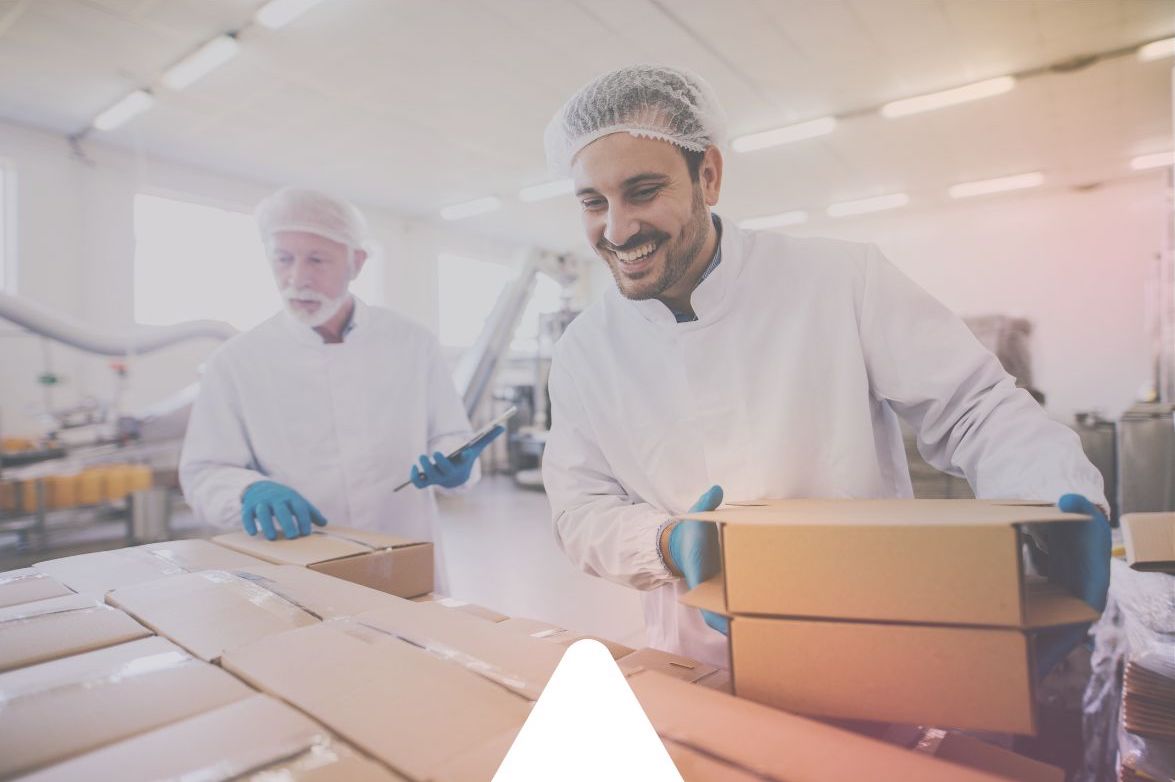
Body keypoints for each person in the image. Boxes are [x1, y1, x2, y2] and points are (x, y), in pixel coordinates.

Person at [539, 65, 1110, 671]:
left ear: (708, 175)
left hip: (867, 640)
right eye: (593, 203)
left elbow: (974, 408)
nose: (618, 228)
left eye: (644, 191)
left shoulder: (840, 281)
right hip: (695, 662)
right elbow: (580, 509)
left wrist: (1056, 502)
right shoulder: (584, 351)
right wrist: (665, 542)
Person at [179, 187, 501, 590]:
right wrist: (247, 490)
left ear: (356, 262)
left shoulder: (413, 343)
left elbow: (452, 434)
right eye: (283, 259)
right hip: (295, 566)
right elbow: (204, 471)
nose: (297, 278)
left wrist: (456, 466)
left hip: (405, 553)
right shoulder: (235, 361)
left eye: (317, 260)